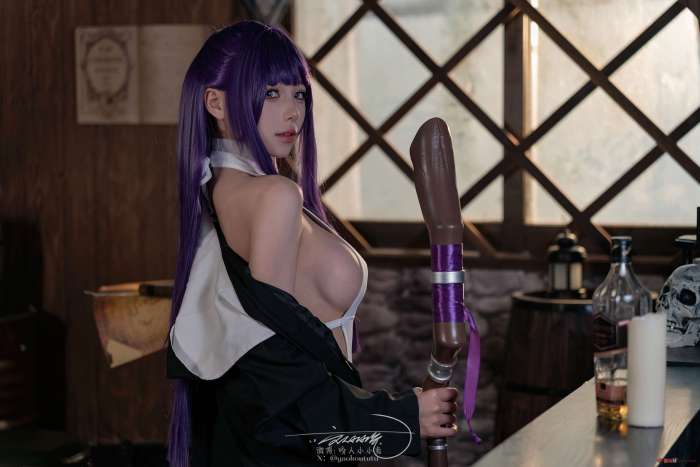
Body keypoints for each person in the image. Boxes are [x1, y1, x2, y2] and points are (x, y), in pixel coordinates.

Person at [166, 20, 459, 467]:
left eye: (298, 93)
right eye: (270, 93)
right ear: (215, 103)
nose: (292, 112)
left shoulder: (221, 192)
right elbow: (273, 373)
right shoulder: (274, 196)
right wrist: (400, 417)